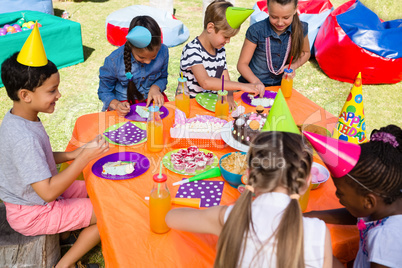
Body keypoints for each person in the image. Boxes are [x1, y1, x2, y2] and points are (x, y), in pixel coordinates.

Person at [0, 52, 110, 268]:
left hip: (37, 199)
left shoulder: (19, 118)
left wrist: (72, 154)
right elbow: (48, 192)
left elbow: (38, 158)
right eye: (52, 90)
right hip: (34, 211)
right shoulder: (24, 138)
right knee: (106, 211)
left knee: (99, 188)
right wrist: (84, 158)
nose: (58, 95)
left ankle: (65, 234)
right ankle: (63, 265)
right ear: (26, 95)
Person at [166, 131, 333, 267]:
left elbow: (171, 218)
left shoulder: (229, 217)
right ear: (308, 181)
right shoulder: (319, 232)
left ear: (247, 175)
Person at [305, 125, 402, 268]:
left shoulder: (386, 241)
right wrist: (311, 215)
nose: (337, 194)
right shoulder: (388, 201)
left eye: (340, 192)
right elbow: (359, 215)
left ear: (369, 201)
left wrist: (321, 254)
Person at [180, 0, 265, 110]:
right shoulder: (192, 50)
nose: (228, 41)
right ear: (211, 27)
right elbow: (205, 82)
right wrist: (242, 86)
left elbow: (225, 78)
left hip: (212, 105)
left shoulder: (219, 50)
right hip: (192, 107)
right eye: (225, 36)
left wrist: (229, 95)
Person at [98, 15, 169, 117]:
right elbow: (104, 91)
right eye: (141, 57)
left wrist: (156, 87)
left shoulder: (164, 51)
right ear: (131, 46)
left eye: (153, 56)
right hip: (124, 106)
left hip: (153, 101)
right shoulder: (114, 61)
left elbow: (163, 77)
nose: (148, 62)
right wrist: (116, 104)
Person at [237, 0, 310, 87]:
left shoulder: (301, 29)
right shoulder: (256, 31)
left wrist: (294, 66)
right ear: (268, 9)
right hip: (251, 85)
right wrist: (256, 82)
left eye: (286, 18)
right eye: (274, 17)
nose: (280, 23)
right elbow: (242, 64)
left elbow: (306, 52)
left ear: (295, 10)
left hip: (279, 87)